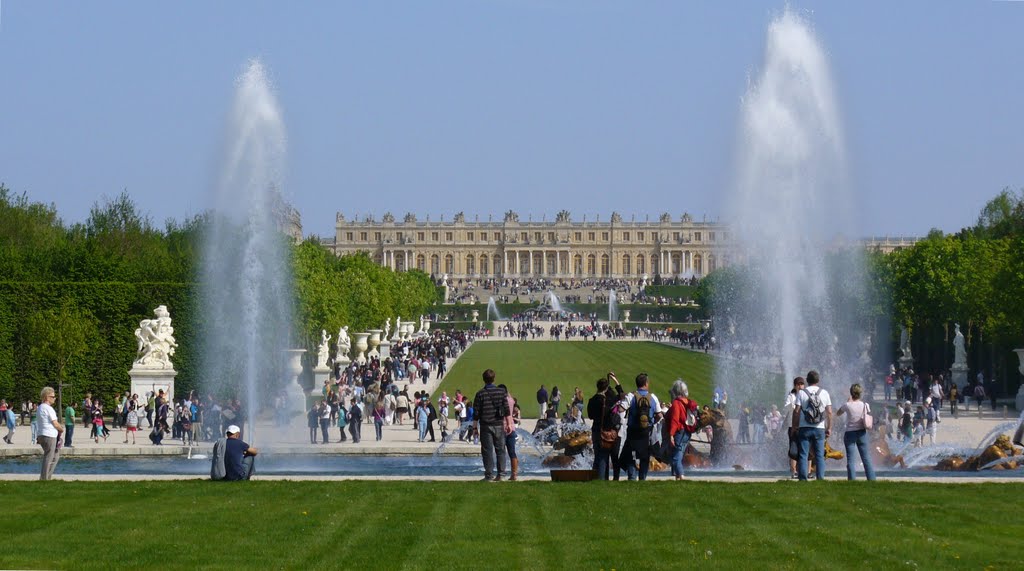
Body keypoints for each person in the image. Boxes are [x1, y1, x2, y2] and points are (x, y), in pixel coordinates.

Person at [618, 373, 663, 481]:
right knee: (644, 456)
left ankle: (632, 477)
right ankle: (643, 478)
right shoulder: (653, 397)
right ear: (646, 383)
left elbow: (620, 409)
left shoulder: (631, 396)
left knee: (631, 455)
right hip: (646, 431)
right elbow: (660, 415)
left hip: (633, 431)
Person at [790, 370, 832, 481]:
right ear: (818, 380)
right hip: (819, 428)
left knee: (803, 454)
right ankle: (820, 478)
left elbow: (797, 411)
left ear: (807, 381)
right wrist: (829, 427)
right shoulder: (824, 393)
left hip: (804, 427)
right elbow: (829, 412)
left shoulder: (802, 393)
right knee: (819, 455)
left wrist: (794, 426)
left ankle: (803, 479)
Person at [473, 369, 510, 481]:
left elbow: (476, 413)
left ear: (483, 379)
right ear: (494, 379)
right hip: (498, 424)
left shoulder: (480, 394)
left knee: (487, 451)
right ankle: (501, 474)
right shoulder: (501, 392)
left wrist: (475, 428)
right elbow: (507, 410)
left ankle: (489, 475)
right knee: (500, 450)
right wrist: (508, 423)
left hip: (485, 425)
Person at [835, 383, 876, 481]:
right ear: (860, 393)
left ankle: (852, 479)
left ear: (851, 393)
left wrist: (848, 402)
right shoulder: (865, 405)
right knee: (866, 458)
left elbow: (838, 413)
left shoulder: (847, 405)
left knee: (851, 459)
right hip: (862, 432)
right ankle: (871, 479)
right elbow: (867, 415)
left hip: (850, 433)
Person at [587, 374, 623, 480]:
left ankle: (597, 478)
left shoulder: (592, 400)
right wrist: (615, 380)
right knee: (603, 456)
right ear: (606, 388)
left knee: (598, 456)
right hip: (606, 430)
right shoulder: (608, 400)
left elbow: (590, 416)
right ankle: (602, 479)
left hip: (596, 429)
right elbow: (621, 394)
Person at [666, 379, 699, 480]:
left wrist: (671, 434)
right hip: (687, 433)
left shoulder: (676, 403)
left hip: (679, 432)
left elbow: (675, 420)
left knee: (676, 457)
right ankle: (677, 477)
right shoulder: (688, 402)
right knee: (678, 455)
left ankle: (682, 476)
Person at [36, 387, 64, 481]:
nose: (54, 398)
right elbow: (55, 423)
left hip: (42, 434)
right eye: (52, 396)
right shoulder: (48, 408)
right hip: (49, 435)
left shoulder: (40, 407)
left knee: (54, 456)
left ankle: (47, 476)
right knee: (49, 456)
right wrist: (61, 429)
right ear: (47, 397)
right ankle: (44, 479)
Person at [783, 377, 806, 478]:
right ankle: (793, 471)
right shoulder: (791, 396)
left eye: (802, 384)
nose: (800, 386)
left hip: (804, 425)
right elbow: (785, 407)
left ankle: (806, 471)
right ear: (795, 386)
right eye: (798, 384)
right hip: (792, 425)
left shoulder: (806, 395)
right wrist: (794, 406)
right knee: (793, 448)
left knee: (804, 448)